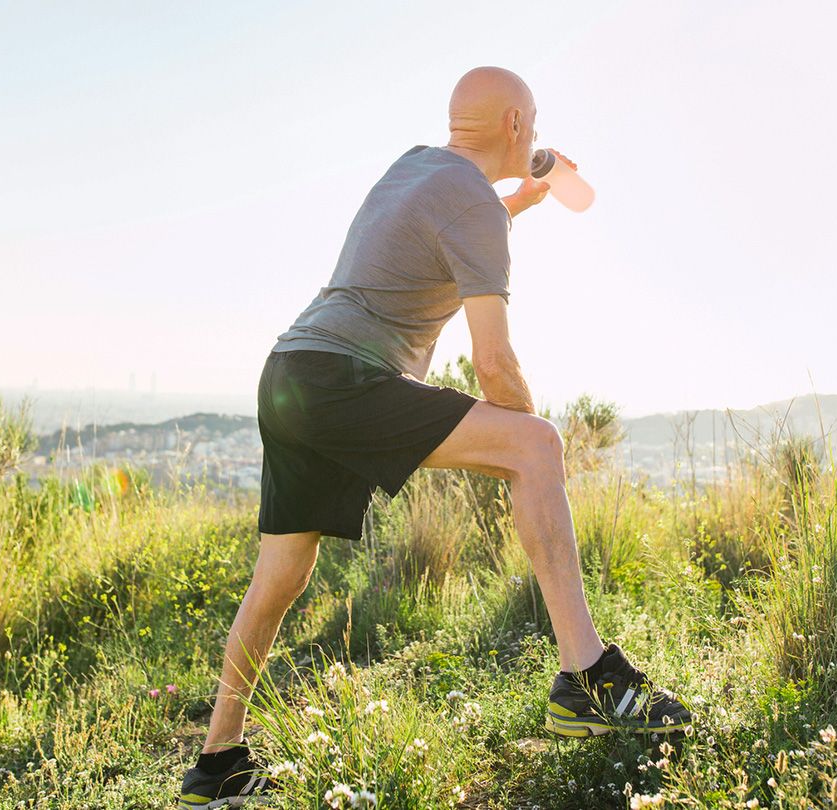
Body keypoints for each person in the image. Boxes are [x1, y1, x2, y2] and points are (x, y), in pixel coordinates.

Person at [178, 66, 691, 809]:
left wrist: (523, 198)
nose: (539, 135)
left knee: (280, 578)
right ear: (516, 124)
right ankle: (588, 677)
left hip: (291, 372)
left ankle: (216, 762)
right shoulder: (475, 209)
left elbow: (458, 215)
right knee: (537, 443)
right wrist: (529, 449)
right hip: (345, 380)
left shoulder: (415, 167)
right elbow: (493, 363)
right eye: (536, 123)